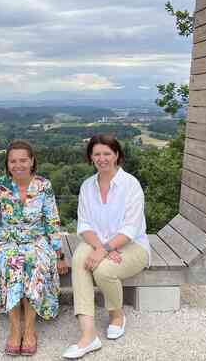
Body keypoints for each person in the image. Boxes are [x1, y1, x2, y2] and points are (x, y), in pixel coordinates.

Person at [0, 140, 68, 356]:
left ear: (32, 161)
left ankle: (29, 330)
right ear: (7, 164)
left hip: (36, 241)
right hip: (5, 242)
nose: (18, 165)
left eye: (23, 160)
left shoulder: (44, 185)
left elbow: (52, 223)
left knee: (34, 263)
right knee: (12, 264)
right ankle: (14, 329)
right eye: (13, 161)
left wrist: (60, 255)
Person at [63, 134, 151, 359]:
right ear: (91, 157)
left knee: (104, 270)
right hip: (96, 242)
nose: (102, 159)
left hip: (132, 246)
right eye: (97, 154)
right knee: (79, 260)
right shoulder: (87, 186)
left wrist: (104, 251)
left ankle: (116, 315)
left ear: (117, 155)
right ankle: (88, 335)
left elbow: (131, 229)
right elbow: (84, 224)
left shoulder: (130, 185)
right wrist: (99, 247)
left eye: (107, 154)